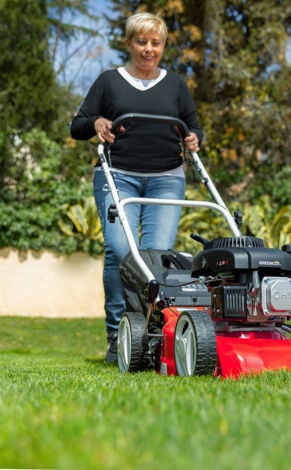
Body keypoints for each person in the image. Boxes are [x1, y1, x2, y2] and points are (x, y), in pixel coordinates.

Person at [70, 12, 202, 364]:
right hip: (118, 176)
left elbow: (193, 125)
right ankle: (117, 335)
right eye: (141, 42)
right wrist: (96, 121)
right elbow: (78, 125)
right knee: (119, 251)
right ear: (128, 44)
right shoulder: (108, 82)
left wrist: (193, 137)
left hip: (167, 178)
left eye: (155, 43)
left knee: (157, 256)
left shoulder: (175, 84)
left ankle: (149, 336)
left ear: (162, 46)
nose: (148, 49)